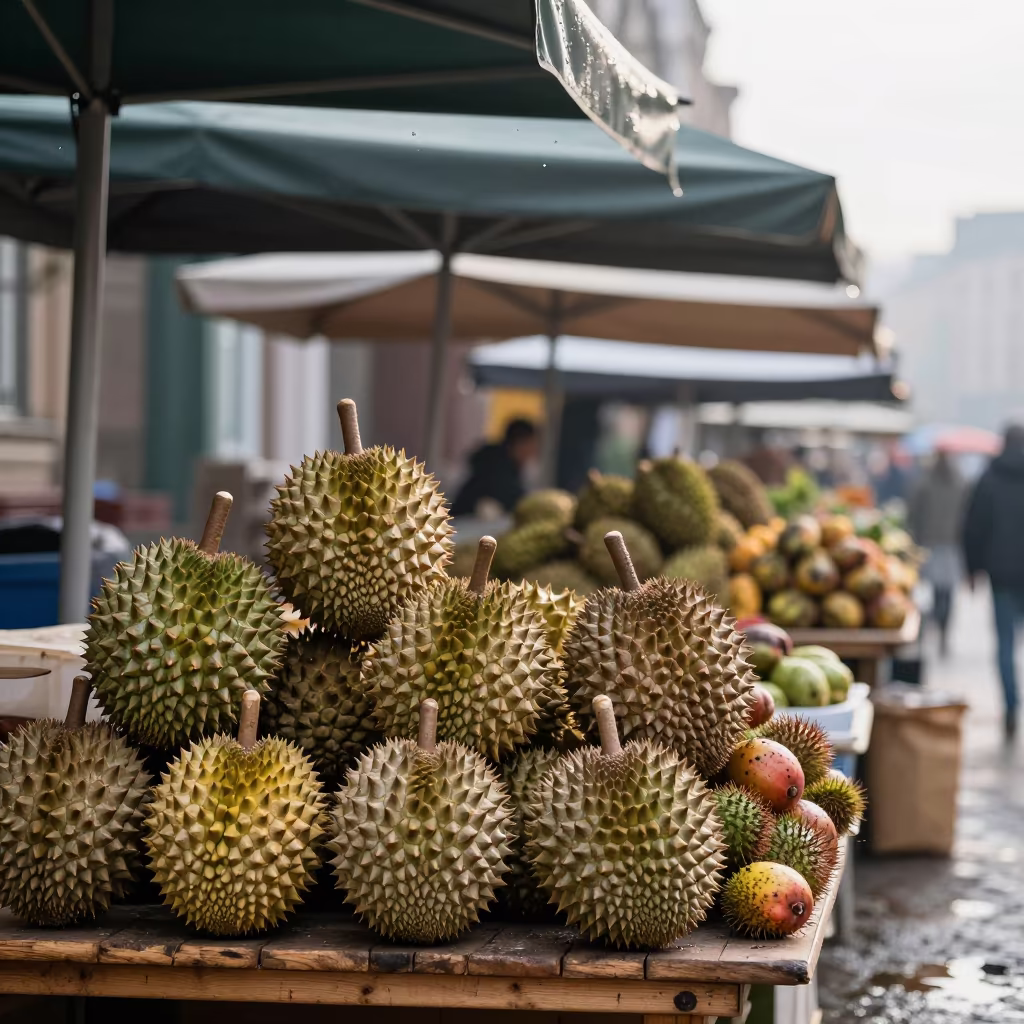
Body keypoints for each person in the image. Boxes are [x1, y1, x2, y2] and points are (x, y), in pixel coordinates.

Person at [962, 424, 1024, 739]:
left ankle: (1012, 705)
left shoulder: (989, 477)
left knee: (1004, 645)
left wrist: (972, 569)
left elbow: (973, 526)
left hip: (1000, 575)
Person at [908, 449, 966, 655]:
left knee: (926, 592)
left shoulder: (925, 482)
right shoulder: (960, 483)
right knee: (946, 594)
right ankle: (942, 631)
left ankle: (927, 629)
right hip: (950, 543)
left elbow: (913, 512)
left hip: (929, 542)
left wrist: (915, 538)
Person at [450, 418, 539, 517]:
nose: (532, 452)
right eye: (531, 445)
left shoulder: (502, 463)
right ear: (520, 443)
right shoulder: (496, 467)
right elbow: (512, 498)